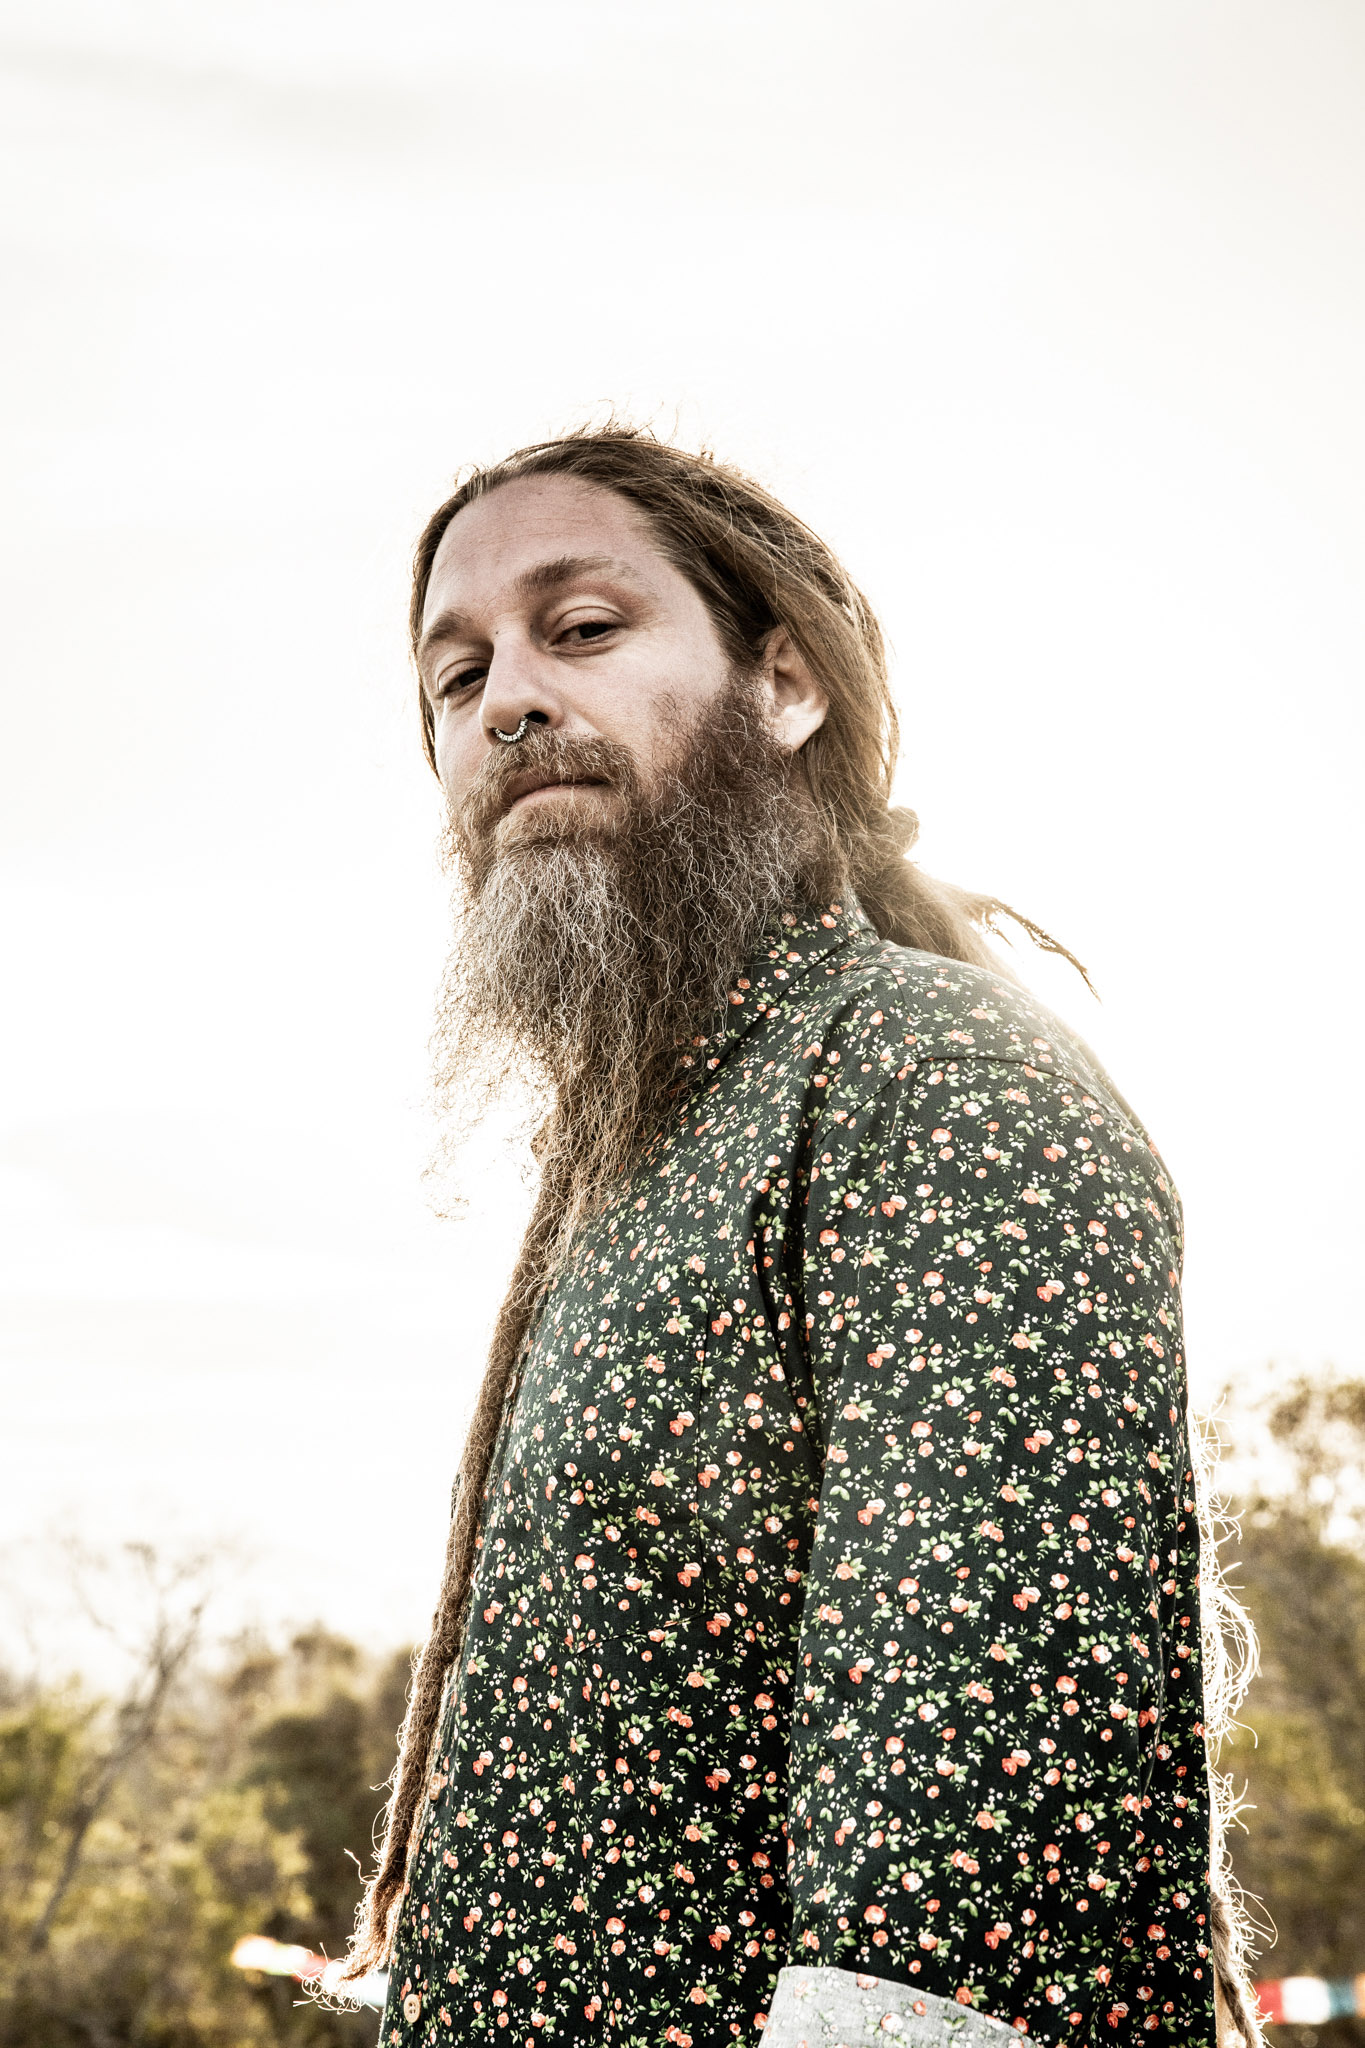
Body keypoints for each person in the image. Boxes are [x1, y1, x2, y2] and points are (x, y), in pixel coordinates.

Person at [341, 429, 1260, 2047]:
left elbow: (974, 1860)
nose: (508, 702)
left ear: (782, 686)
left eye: (581, 628)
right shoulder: (631, 1163)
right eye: (456, 674)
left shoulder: (928, 1078)